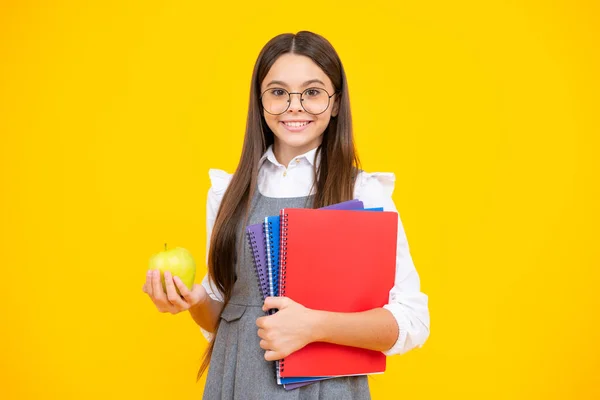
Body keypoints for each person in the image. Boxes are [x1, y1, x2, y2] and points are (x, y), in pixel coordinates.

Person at [142, 30, 430, 400]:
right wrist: (195, 299)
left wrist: (314, 325)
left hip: (328, 390)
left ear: (336, 102)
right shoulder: (227, 193)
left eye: (312, 92)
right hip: (238, 383)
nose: (294, 106)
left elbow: (411, 320)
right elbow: (228, 322)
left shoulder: (363, 192)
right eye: (278, 92)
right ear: (260, 102)